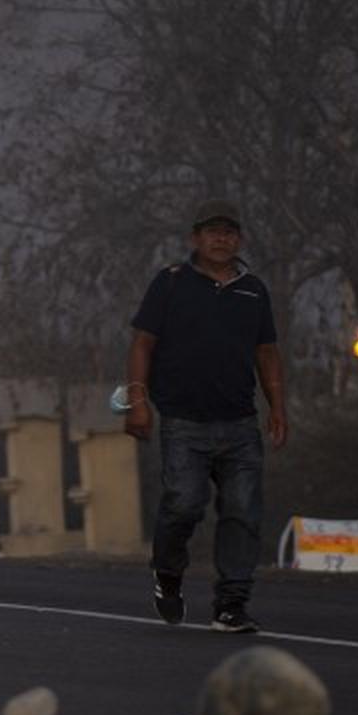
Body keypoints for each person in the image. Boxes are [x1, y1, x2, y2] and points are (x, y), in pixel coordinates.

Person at [124, 198, 288, 633]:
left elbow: (266, 352)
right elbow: (142, 343)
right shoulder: (171, 283)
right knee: (183, 504)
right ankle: (168, 572)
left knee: (243, 512)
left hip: (239, 422)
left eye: (229, 232)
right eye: (212, 231)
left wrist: (278, 407)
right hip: (183, 421)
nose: (221, 239)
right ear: (195, 238)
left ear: (240, 239)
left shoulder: (254, 290)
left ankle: (232, 604)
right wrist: (137, 400)